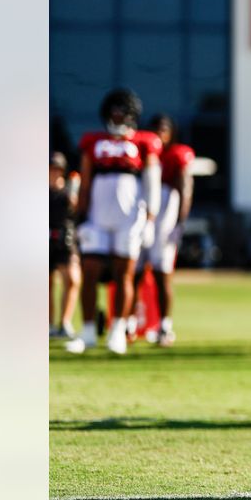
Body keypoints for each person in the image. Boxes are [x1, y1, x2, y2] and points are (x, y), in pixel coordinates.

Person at [65, 88, 162, 355]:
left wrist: (151, 218)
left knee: (124, 273)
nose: (118, 116)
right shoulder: (93, 141)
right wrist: (80, 216)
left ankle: (118, 330)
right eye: (114, 111)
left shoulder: (145, 142)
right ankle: (86, 333)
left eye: (123, 111)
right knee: (91, 270)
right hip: (97, 215)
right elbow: (85, 179)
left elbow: (152, 181)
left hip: (129, 216)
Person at [131, 114, 193, 347]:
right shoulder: (141, 153)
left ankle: (165, 326)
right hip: (141, 212)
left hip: (165, 216)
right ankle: (128, 323)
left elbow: (184, 190)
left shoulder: (176, 156)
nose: (159, 136)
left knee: (161, 272)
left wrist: (179, 224)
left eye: (163, 130)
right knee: (133, 272)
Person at [49, 152, 80, 339]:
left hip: (65, 238)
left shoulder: (68, 191)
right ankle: (49, 324)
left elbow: (75, 210)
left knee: (72, 279)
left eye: (57, 169)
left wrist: (74, 191)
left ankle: (65, 322)